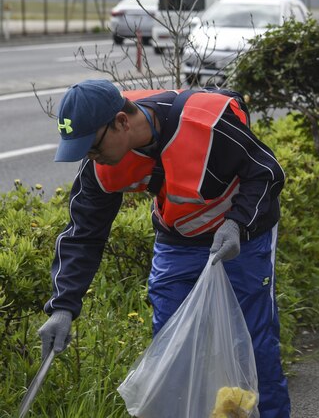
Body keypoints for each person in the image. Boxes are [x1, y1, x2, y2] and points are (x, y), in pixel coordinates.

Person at [37, 80, 291, 417]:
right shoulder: (101, 166)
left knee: (253, 346)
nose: (90, 159)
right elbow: (83, 233)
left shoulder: (205, 124)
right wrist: (63, 307)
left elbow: (266, 172)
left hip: (243, 237)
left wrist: (237, 224)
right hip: (179, 239)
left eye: (93, 148)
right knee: (171, 347)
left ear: (121, 122)